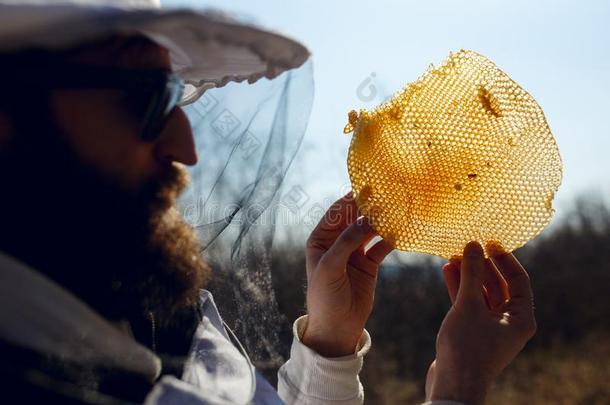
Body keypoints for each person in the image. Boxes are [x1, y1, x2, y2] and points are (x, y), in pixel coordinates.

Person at [0, 1, 536, 404]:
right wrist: (460, 387)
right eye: (144, 97)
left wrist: (330, 340)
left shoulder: (141, 303)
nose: (185, 149)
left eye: (175, 96)